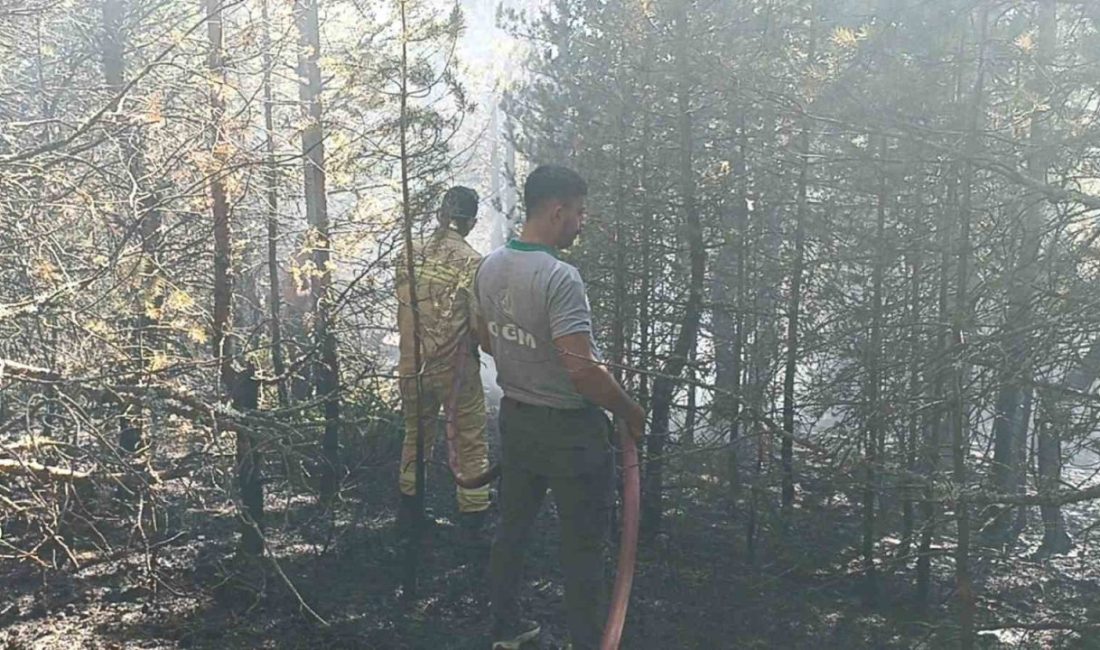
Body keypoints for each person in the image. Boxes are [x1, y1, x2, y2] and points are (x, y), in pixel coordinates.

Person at [475, 165, 645, 650]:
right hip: (571, 434)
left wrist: (529, 359)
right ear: (556, 210)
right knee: (583, 548)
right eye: (579, 212)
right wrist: (629, 410)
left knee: (512, 531)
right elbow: (582, 371)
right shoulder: (559, 277)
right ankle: (589, 642)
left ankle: (505, 629)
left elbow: (487, 338)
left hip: (518, 421)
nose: (581, 222)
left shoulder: (490, 267)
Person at [396, 186, 491, 537]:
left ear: (439, 214)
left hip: (411, 364)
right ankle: (473, 520)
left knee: (415, 436)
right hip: (456, 371)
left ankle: (409, 514)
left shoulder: (409, 251)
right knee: (470, 441)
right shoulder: (473, 261)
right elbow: (478, 325)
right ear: (471, 221)